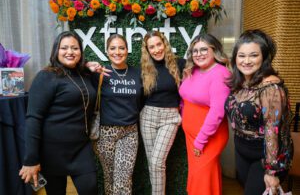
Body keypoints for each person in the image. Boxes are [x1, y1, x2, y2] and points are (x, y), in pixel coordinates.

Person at [19, 31, 98, 195]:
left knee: (90, 188)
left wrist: (90, 67)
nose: (70, 52)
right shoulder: (46, 76)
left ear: (81, 52)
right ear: (56, 51)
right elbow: (34, 118)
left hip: (81, 148)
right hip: (52, 151)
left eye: (75, 48)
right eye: (65, 48)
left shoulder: (85, 74)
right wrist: (31, 160)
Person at [225, 29, 293, 195]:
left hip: (264, 158)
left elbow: (273, 129)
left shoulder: (271, 88)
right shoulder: (240, 83)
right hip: (242, 151)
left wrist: (272, 171)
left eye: (253, 55)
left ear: (263, 58)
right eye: (241, 56)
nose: (246, 61)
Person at [179, 33, 230, 195]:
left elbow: (217, 112)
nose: (198, 54)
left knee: (203, 174)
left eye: (203, 50)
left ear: (214, 51)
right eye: (195, 51)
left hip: (208, 137)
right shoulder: (192, 71)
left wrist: (200, 141)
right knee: (200, 175)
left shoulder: (220, 73)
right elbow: (185, 96)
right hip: (191, 135)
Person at [93, 34, 143, 195]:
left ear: (127, 50)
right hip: (105, 133)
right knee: (110, 177)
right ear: (107, 51)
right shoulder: (100, 73)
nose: (117, 52)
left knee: (123, 179)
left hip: (129, 132)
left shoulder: (137, 73)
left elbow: (143, 99)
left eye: (121, 48)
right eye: (113, 48)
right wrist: (87, 65)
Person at [140, 30, 185, 195]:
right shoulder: (145, 69)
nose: (156, 49)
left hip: (170, 118)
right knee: (153, 163)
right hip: (148, 117)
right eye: (151, 47)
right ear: (147, 50)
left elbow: (204, 66)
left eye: (159, 44)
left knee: (158, 162)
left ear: (165, 44)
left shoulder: (180, 64)